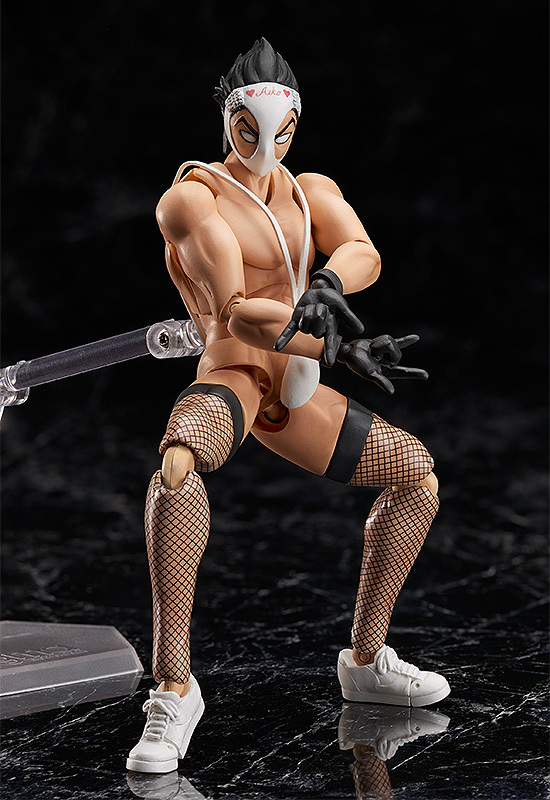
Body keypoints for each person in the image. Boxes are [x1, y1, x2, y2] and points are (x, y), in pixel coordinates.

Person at [126, 38, 450, 775]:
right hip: (238, 369)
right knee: (178, 466)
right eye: (249, 131)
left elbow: (363, 250)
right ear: (228, 120)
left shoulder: (310, 191)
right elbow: (239, 312)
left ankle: (366, 660)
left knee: (417, 477)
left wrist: (329, 284)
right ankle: (174, 686)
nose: (265, 148)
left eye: (282, 132)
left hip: (297, 384)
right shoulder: (194, 198)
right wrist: (337, 346)